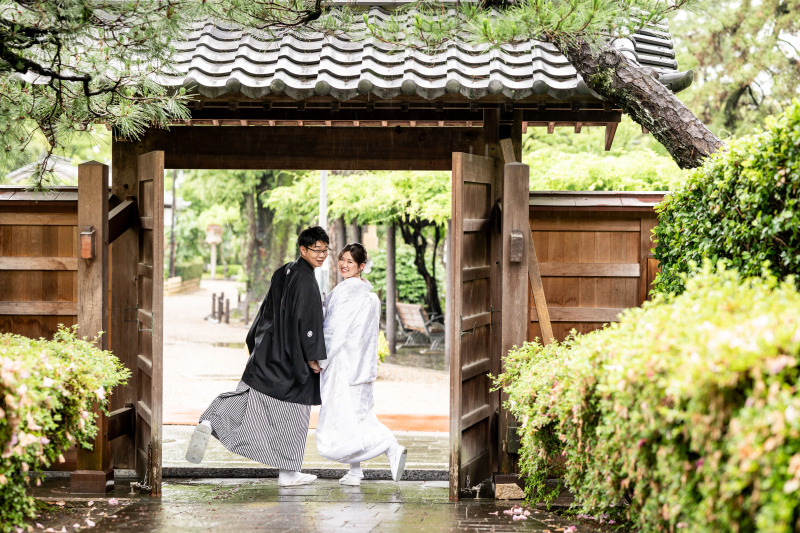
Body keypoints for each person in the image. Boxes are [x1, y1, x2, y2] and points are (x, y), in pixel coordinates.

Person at [185, 226, 330, 487]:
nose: (321, 255)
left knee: (248, 397)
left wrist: (257, 343)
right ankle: (288, 474)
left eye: (325, 250)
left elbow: (264, 312)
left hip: (267, 352)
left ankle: (211, 420)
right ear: (303, 249)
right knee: (294, 416)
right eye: (316, 250)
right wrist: (312, 357)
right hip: (289, 360)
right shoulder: (307, 281)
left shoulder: (283, 271)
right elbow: (307, 323)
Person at [315, 243, 407, 486]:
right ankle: (356, 471)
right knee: (355, 419)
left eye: (350, 262)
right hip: (362, 367)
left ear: (361, 266)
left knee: (344, 420)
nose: (344, 265)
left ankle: (389, 444)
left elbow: (334, 332)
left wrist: (319, 359)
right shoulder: (369, 295)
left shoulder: (346, 293)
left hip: (344, 367)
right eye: (342, 259)